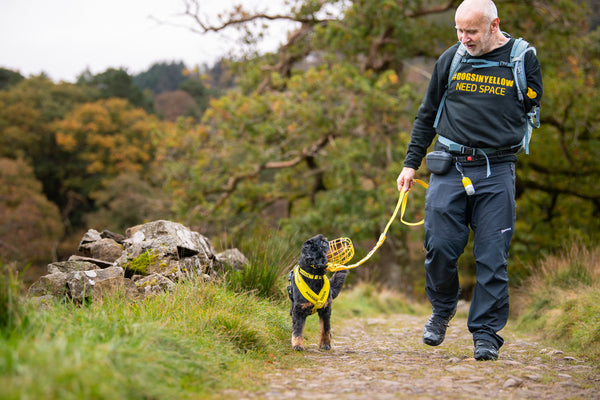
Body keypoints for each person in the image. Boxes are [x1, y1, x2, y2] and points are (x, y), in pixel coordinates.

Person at [396, 0, 542, 361]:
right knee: (439, 248)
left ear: (494, 25)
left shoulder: (523, 60)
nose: (464, 38)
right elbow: (427, 113)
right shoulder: (451, 58)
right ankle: (443, 308)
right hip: (449, 167)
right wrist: (410, 164)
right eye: (459, 31)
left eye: (471, 31)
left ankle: (486, 334)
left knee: (493, 257)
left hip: (497, 171)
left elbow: (532, 105)